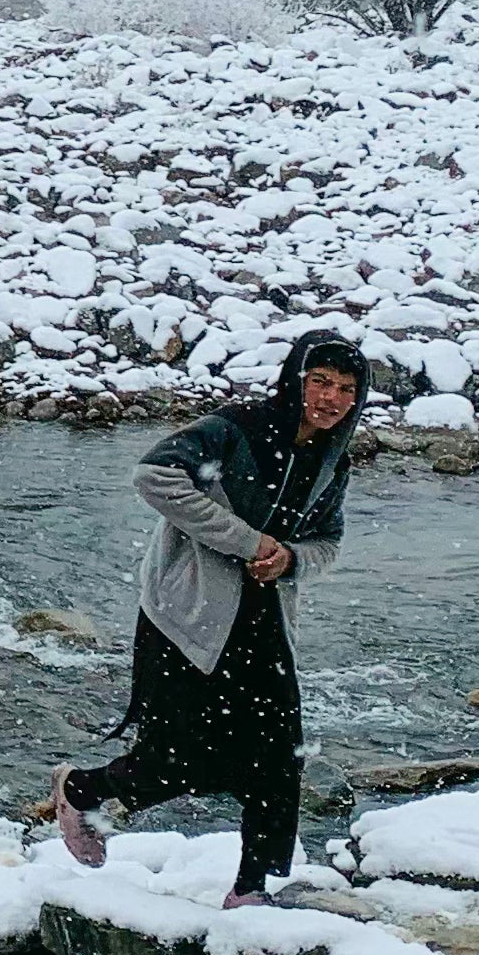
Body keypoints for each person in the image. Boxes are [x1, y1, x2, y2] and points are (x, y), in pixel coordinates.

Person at [47, 333, 364, 903]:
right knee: (183, 754)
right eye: (319, 381)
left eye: (345, 389)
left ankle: (251, 889)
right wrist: (245, 541)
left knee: (277, 752)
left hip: (265, 620)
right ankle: (82, 791)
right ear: (296, 380)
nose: (330, 398)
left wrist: (290, 560)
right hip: (187, 616)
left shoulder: (332, 460)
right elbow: (153, 476)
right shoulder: (236, 428)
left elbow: (328, 542)